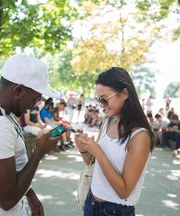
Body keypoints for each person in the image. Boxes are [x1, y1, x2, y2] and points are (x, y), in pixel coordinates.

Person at [0, 54, 61, 216]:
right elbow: (6, 200)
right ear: (18, 90)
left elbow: (10, 170)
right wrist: (39, 152)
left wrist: (29, 193)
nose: (35, 104)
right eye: (36, 98)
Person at [75, 67, 155, 216]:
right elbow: (93, 164)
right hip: (91, 202)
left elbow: (124, 191)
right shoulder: (107, 121)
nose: (101, 104)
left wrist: (98, 152)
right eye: (99, 99)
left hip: (116, 210)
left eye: (105, 99)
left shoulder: (139, 136)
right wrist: (84, 149)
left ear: (124, 93)